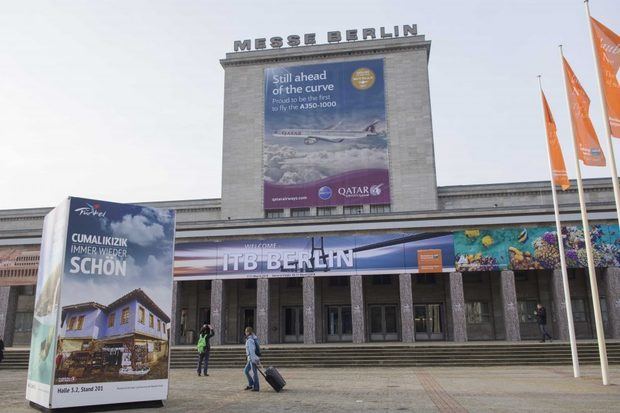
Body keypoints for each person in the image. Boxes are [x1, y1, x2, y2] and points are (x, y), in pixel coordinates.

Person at [243, 326, 260, 391]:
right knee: (246, 370)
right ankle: (251, 384)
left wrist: (253, 360)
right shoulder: (253, 338)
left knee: (254, 373)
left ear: (247, 332)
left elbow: (252, 350)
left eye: (246, 332)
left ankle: (256, 387)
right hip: (251, 358)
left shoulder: (250, 340)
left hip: (252, 359)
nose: (245, 333)